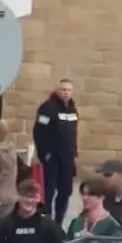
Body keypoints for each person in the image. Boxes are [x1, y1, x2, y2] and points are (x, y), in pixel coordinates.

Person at [33, 79, 79, 222]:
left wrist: (74, 152)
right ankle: (47, 219)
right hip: (52, 157)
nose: (66, 93)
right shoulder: (47, 108)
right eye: (63, 89)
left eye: (69, 90)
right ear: (57, 90)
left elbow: (73, 133)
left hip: (68, 157)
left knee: (65, 191)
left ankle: (59, 220)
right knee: (49, 191)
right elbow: (39, 131)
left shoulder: (72, 108)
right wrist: (44, 153)